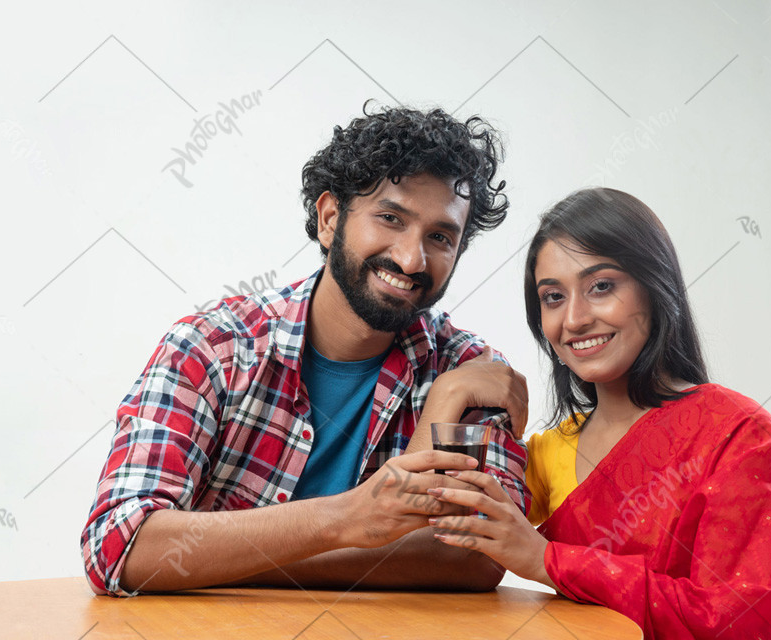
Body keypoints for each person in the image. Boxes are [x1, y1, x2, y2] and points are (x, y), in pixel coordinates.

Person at [81, 104, 530, 597]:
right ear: (330, 218)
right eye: (390, 218)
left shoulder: (468, 373)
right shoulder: (213, 347)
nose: (410, 258)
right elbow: (119, 547)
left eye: (440, 237)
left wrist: (223, 561)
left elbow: (475, 556)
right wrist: (345, 519)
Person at [427, 188, 771, 638]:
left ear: (654, 287)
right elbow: (438, 538)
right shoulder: (547, 454)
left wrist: (548, 560)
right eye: (553, 297)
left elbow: (742, 622)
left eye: (601, 286)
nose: (575, 319)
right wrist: (449, 393)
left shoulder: (737, 435)